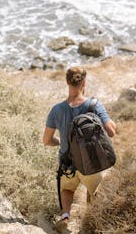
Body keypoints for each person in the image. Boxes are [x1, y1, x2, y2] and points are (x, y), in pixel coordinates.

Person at [43, 66, 116, 231]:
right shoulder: (94, 105)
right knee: (93, 192)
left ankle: (66, 216)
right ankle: (89, 222)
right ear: (84, 82)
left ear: (67, 82)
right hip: (92, 162)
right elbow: (111, 131)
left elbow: (46, 140)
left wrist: (61, 143)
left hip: (67, 163)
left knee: (67, 189)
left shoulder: (56, 110)